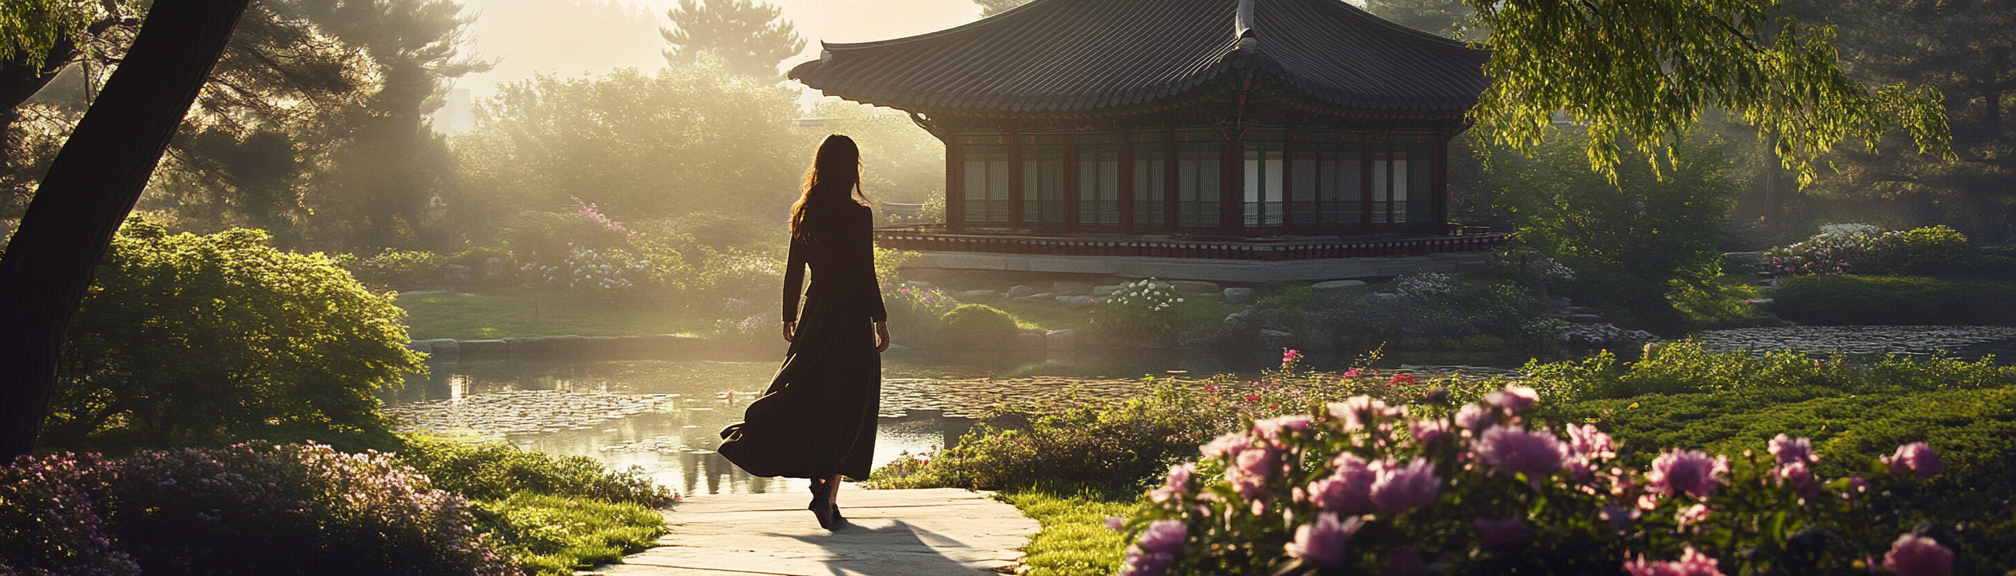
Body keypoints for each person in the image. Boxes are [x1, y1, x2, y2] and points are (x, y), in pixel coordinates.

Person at [718, 134, 890, 530]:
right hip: (850, 318)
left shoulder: (805, 212)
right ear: (852, 169)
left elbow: (795, 268)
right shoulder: (858, 214)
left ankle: (822, 490)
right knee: (851, 402)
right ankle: (826, 496)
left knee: (810, 394)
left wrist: (788, 314)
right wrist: (879, 319)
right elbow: (866, 273)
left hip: (816, 314)